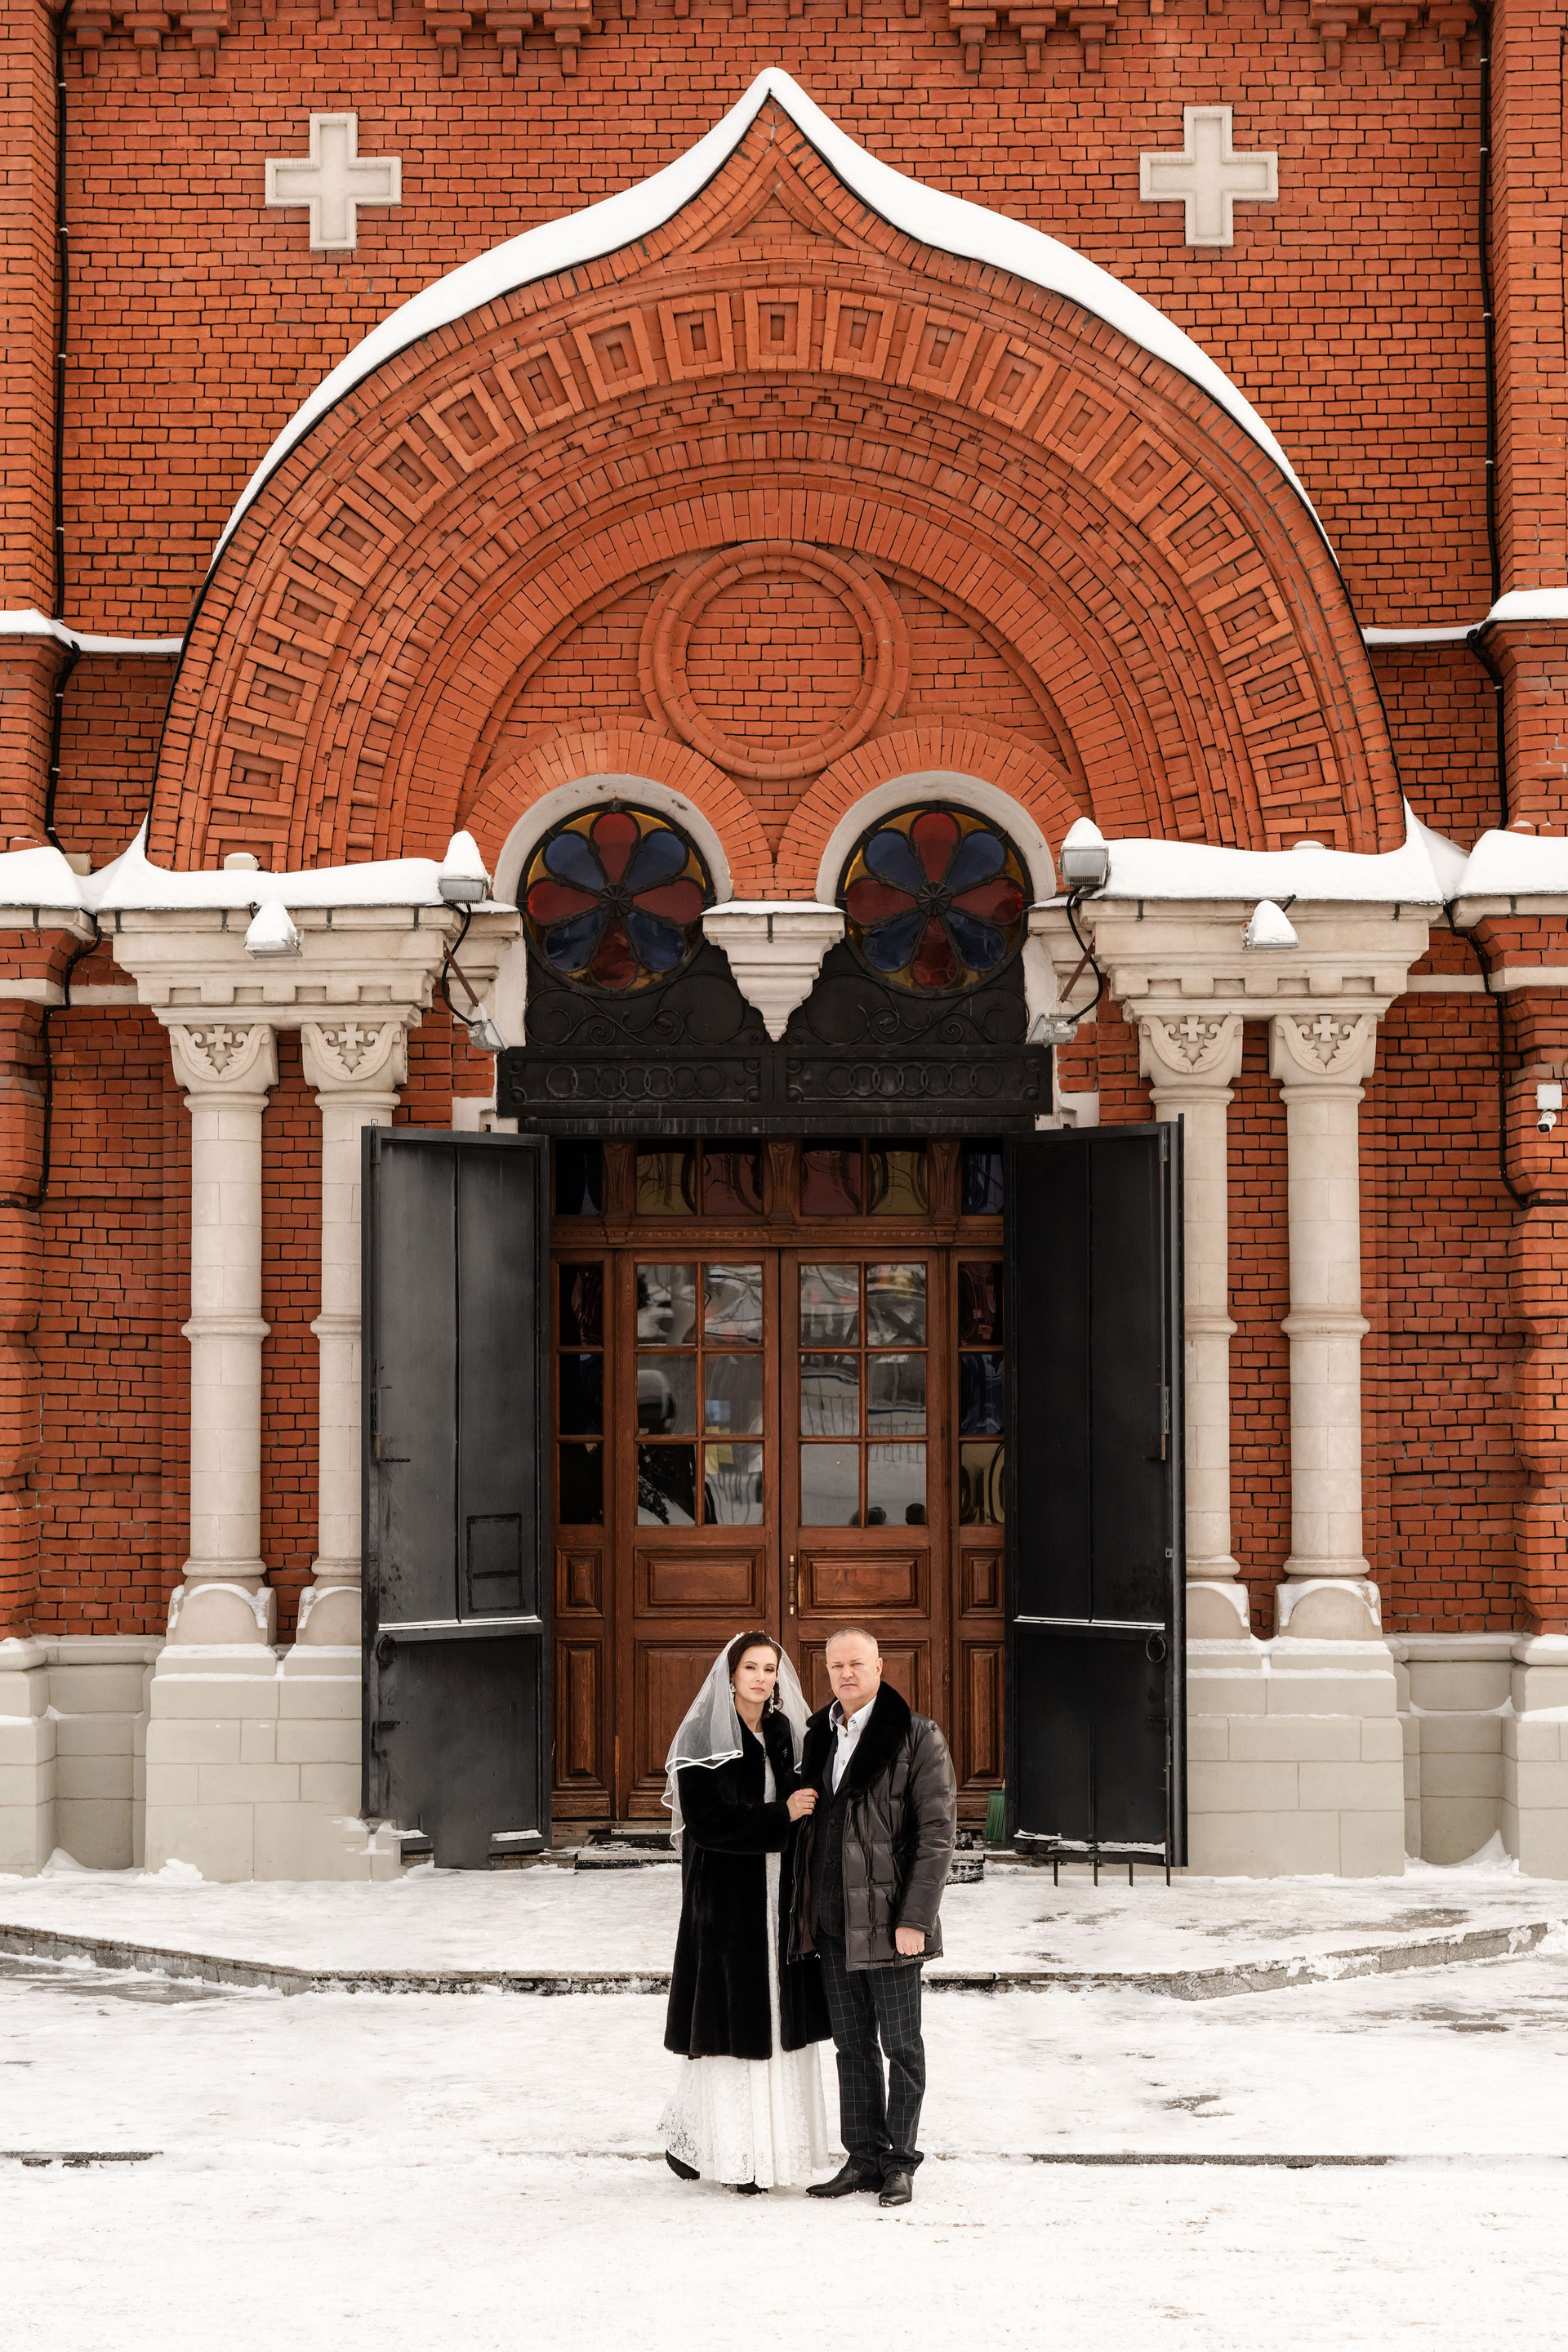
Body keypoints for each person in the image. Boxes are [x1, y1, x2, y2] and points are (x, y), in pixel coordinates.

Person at [660, 1630, 838, 2192]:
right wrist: (780, 1815)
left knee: (777, 2015)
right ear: (730, 1674)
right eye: (752, 1668)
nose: (762, 1678)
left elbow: (805, 1802)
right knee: (731, 2020)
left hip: (780, 1894)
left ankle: (755, 2146)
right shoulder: (700, 1735)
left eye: (770, 1669)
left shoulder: (783, 1732)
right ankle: (731, 2152)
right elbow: (707, 1825)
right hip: (725, 1900)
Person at [790, 1625, 957, 2208]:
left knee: (902, 2046)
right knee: (852, 2046)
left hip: (892, 1923)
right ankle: (862, 2157)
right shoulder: (818, 1734)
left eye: (857, 1663)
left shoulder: (917, 1736)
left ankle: (900, 2163)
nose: (846, 1674)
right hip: (833, 1920)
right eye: (836, 1665)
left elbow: (937, 1836)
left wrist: (916, 1918)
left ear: (880, 1667)